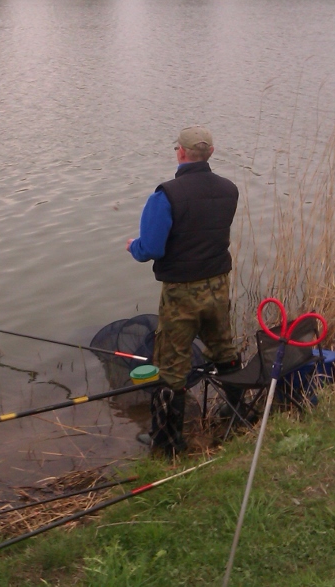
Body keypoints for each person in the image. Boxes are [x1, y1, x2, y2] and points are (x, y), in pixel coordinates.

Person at [126, 125, 241, 456]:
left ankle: (168, 441)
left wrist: (134, 246)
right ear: (211, 153)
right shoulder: (229, 189)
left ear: (180, 152)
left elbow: (152, 248)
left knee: (171, 365)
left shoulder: (166, 195)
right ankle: (235, 412)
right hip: (218, 285)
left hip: (181, 293)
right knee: (223, 349)